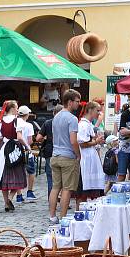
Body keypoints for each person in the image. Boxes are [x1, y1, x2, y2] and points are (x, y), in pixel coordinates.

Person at [48, 90, 82, 223]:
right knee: (67, 189)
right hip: (68, 157)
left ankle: (52, 215)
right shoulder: (72, 118)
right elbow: (73, 140)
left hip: (55, 155)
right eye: (77, 101)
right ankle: (63, 217)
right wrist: (78, 155)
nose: (79, 104)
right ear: (70, 102)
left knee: (55, 187)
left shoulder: (56, 117)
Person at [0, 101, 27, 212]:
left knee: (3, 177)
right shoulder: (18, 120)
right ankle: (10, 198)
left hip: (4, 150)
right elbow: (20, 137)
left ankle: (7, 202)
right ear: (12, 108)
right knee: (17, 176)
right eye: (16, 107)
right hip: (15, 149)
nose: (18, 110)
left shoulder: (0, 123)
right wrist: (28, 147)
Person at [76, 102, 106, 206]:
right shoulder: (83, 125)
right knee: (82, 192)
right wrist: (96, 141)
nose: (99, 113)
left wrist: (97, 141)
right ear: (90, 110)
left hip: (91, 158)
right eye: (97, 110)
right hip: (85, 159)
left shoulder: (89, 124)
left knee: (92, 190)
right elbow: (83, 143)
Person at [36, 105, 61, 198]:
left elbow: (38, 138)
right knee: (62, 178)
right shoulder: (66, 122)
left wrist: (45, 138)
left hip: (49, 151)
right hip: (62, 152)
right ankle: (61, 197)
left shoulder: (47, 123)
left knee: (50, 177)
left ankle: (51, 199)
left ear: (53, 113)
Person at [16, 105, 38, 203]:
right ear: (27, 115)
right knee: (31, 171)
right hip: (26, 151)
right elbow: (29, 141)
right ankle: (29, 191)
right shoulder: (29, 125)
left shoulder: (15, 122)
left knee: (18, 173)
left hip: (16, 150)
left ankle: (19, 195)